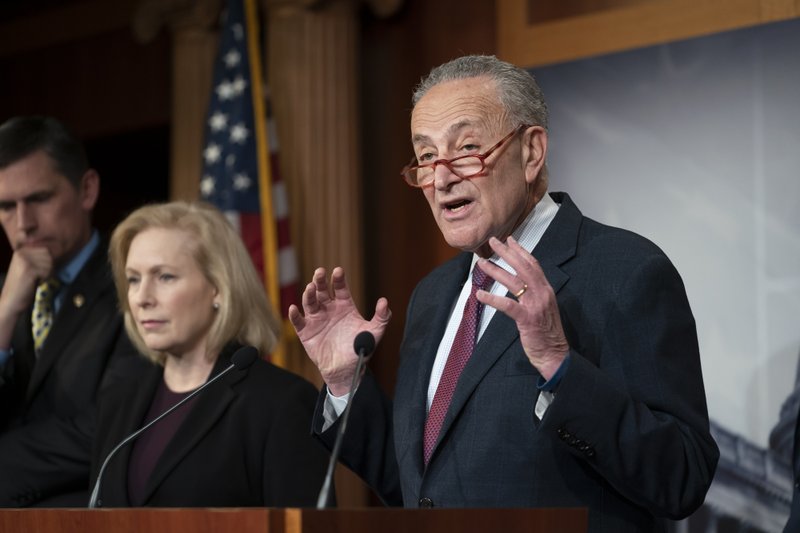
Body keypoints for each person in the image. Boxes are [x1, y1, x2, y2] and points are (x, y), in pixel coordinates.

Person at [288, 55, 719, 531]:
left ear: (531, 152)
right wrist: (348, 385)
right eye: (427, 156)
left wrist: (559, 367)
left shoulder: (626, 271)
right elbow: (422, 490)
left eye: (467, 147)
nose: (442, 177)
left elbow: (682, 477)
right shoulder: (433, 296)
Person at [91, 201, 328, 507]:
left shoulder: (279, 403)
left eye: (164, 277)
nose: (141, 298)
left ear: (218, 286)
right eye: (134, 279)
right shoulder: (117, 400)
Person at [0, 116, 141, 507]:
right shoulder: (2, 297)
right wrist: (6, 312)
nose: (23, 224)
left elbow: (112, 426)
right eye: (6, 207)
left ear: (87, 190)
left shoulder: (136, 283)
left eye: (39, 199)